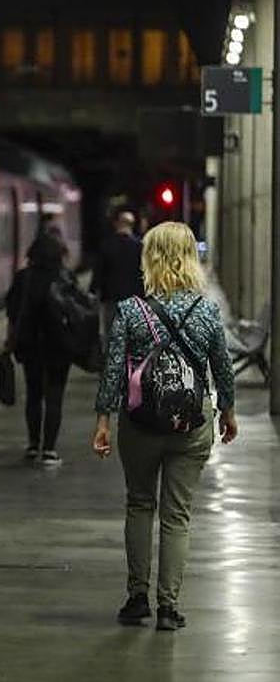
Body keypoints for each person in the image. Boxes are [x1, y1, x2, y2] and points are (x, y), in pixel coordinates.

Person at [91, 222, 238, 632]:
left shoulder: (130, 311)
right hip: (191, 427)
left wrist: (103, 419)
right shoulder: (207, 311)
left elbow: (114, 371)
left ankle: (137, 598)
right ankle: (169, 608)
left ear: (149, 259)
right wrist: (227, 411)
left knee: (140, 504)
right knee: (177, 515)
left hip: (140, 426)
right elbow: (222, 369)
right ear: (190, 259)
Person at [3, 231, 72, 465]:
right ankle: (50, 450)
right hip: (59, 346)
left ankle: (33, 446)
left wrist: (9, 342)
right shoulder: (65, 278)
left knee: (33, 395)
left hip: (29, 344)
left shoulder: (23, 278)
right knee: (55, 397)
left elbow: (12, 313)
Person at [93, 211, 145, 343]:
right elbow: (145, 274)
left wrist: (94, 292)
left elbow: (98, 273)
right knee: (132, 335)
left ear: (117, 224)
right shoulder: (140, 247)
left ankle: (112, 361)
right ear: (132, 225)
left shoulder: (106, 245)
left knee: (111, 335)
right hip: (134, 301)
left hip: (111, 299)